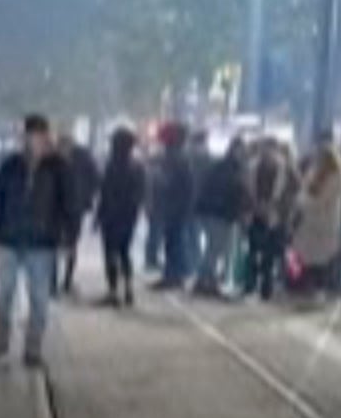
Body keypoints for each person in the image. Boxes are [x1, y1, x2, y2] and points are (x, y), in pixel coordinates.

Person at [0, 115, 77, 369]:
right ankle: (1, 340)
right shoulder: (10, 165)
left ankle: (33, 348)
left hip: (42, 243)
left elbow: (70, 204)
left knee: (39, 298)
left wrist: (69, 238)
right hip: (9, 240)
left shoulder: (58, 167)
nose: (34, 141)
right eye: (30, 136)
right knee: (4, 293)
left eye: (39, 136)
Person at [293, 134, 341, 297]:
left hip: (323, 221)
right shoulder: (315, 173)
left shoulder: (336, 178)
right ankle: (305, 285)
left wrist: (303, 202)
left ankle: (319, 286)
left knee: (321, 257)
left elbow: (322, 200)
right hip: (311, 222)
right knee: (307, 256)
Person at [95, 128, 147, 307]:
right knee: (124, 252)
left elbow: (105, 192)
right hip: (129, 216)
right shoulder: (138, 167)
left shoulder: (112, 166)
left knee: (110, 253)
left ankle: (112, 291)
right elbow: (141, 193)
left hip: (111, 216)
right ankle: (128, 290)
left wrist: (98, 216)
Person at [192, 136, 249, 298]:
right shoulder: (231, 170)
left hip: (213, 212)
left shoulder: (222, 166)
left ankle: (205, 280)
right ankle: (205, 281)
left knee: (214, 248)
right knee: (215, 248)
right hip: (218, 213)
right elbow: (233, 192)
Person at [244, 138, 298, 303]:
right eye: (263, 150)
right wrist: (252, 207)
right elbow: (246, 190)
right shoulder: (252, 167)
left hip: (276, 216)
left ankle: (266, 288)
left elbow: (292, 193)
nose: (266, 154)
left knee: (270, 253)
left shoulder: (286, 169)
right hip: (255, 214)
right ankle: (250, 285)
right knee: (252, 250)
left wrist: (278, 209)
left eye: (269, 150)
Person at [150, 123, 196, 288]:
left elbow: (171, 182)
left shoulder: (175, 158)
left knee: (174, 242)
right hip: (177, 207)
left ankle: (173, 276)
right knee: (174, 241)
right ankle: (175, 275)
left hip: (174, 207)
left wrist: (159, 179)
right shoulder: (179, 157)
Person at [61, 131, 99, 296]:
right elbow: (96, 178)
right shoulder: (84, 156)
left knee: (63, 243)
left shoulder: (54, 156)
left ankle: (60, 281)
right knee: (70, 243)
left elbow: (96, 179)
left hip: (65, 206)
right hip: (73, 206)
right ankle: (66, 281)